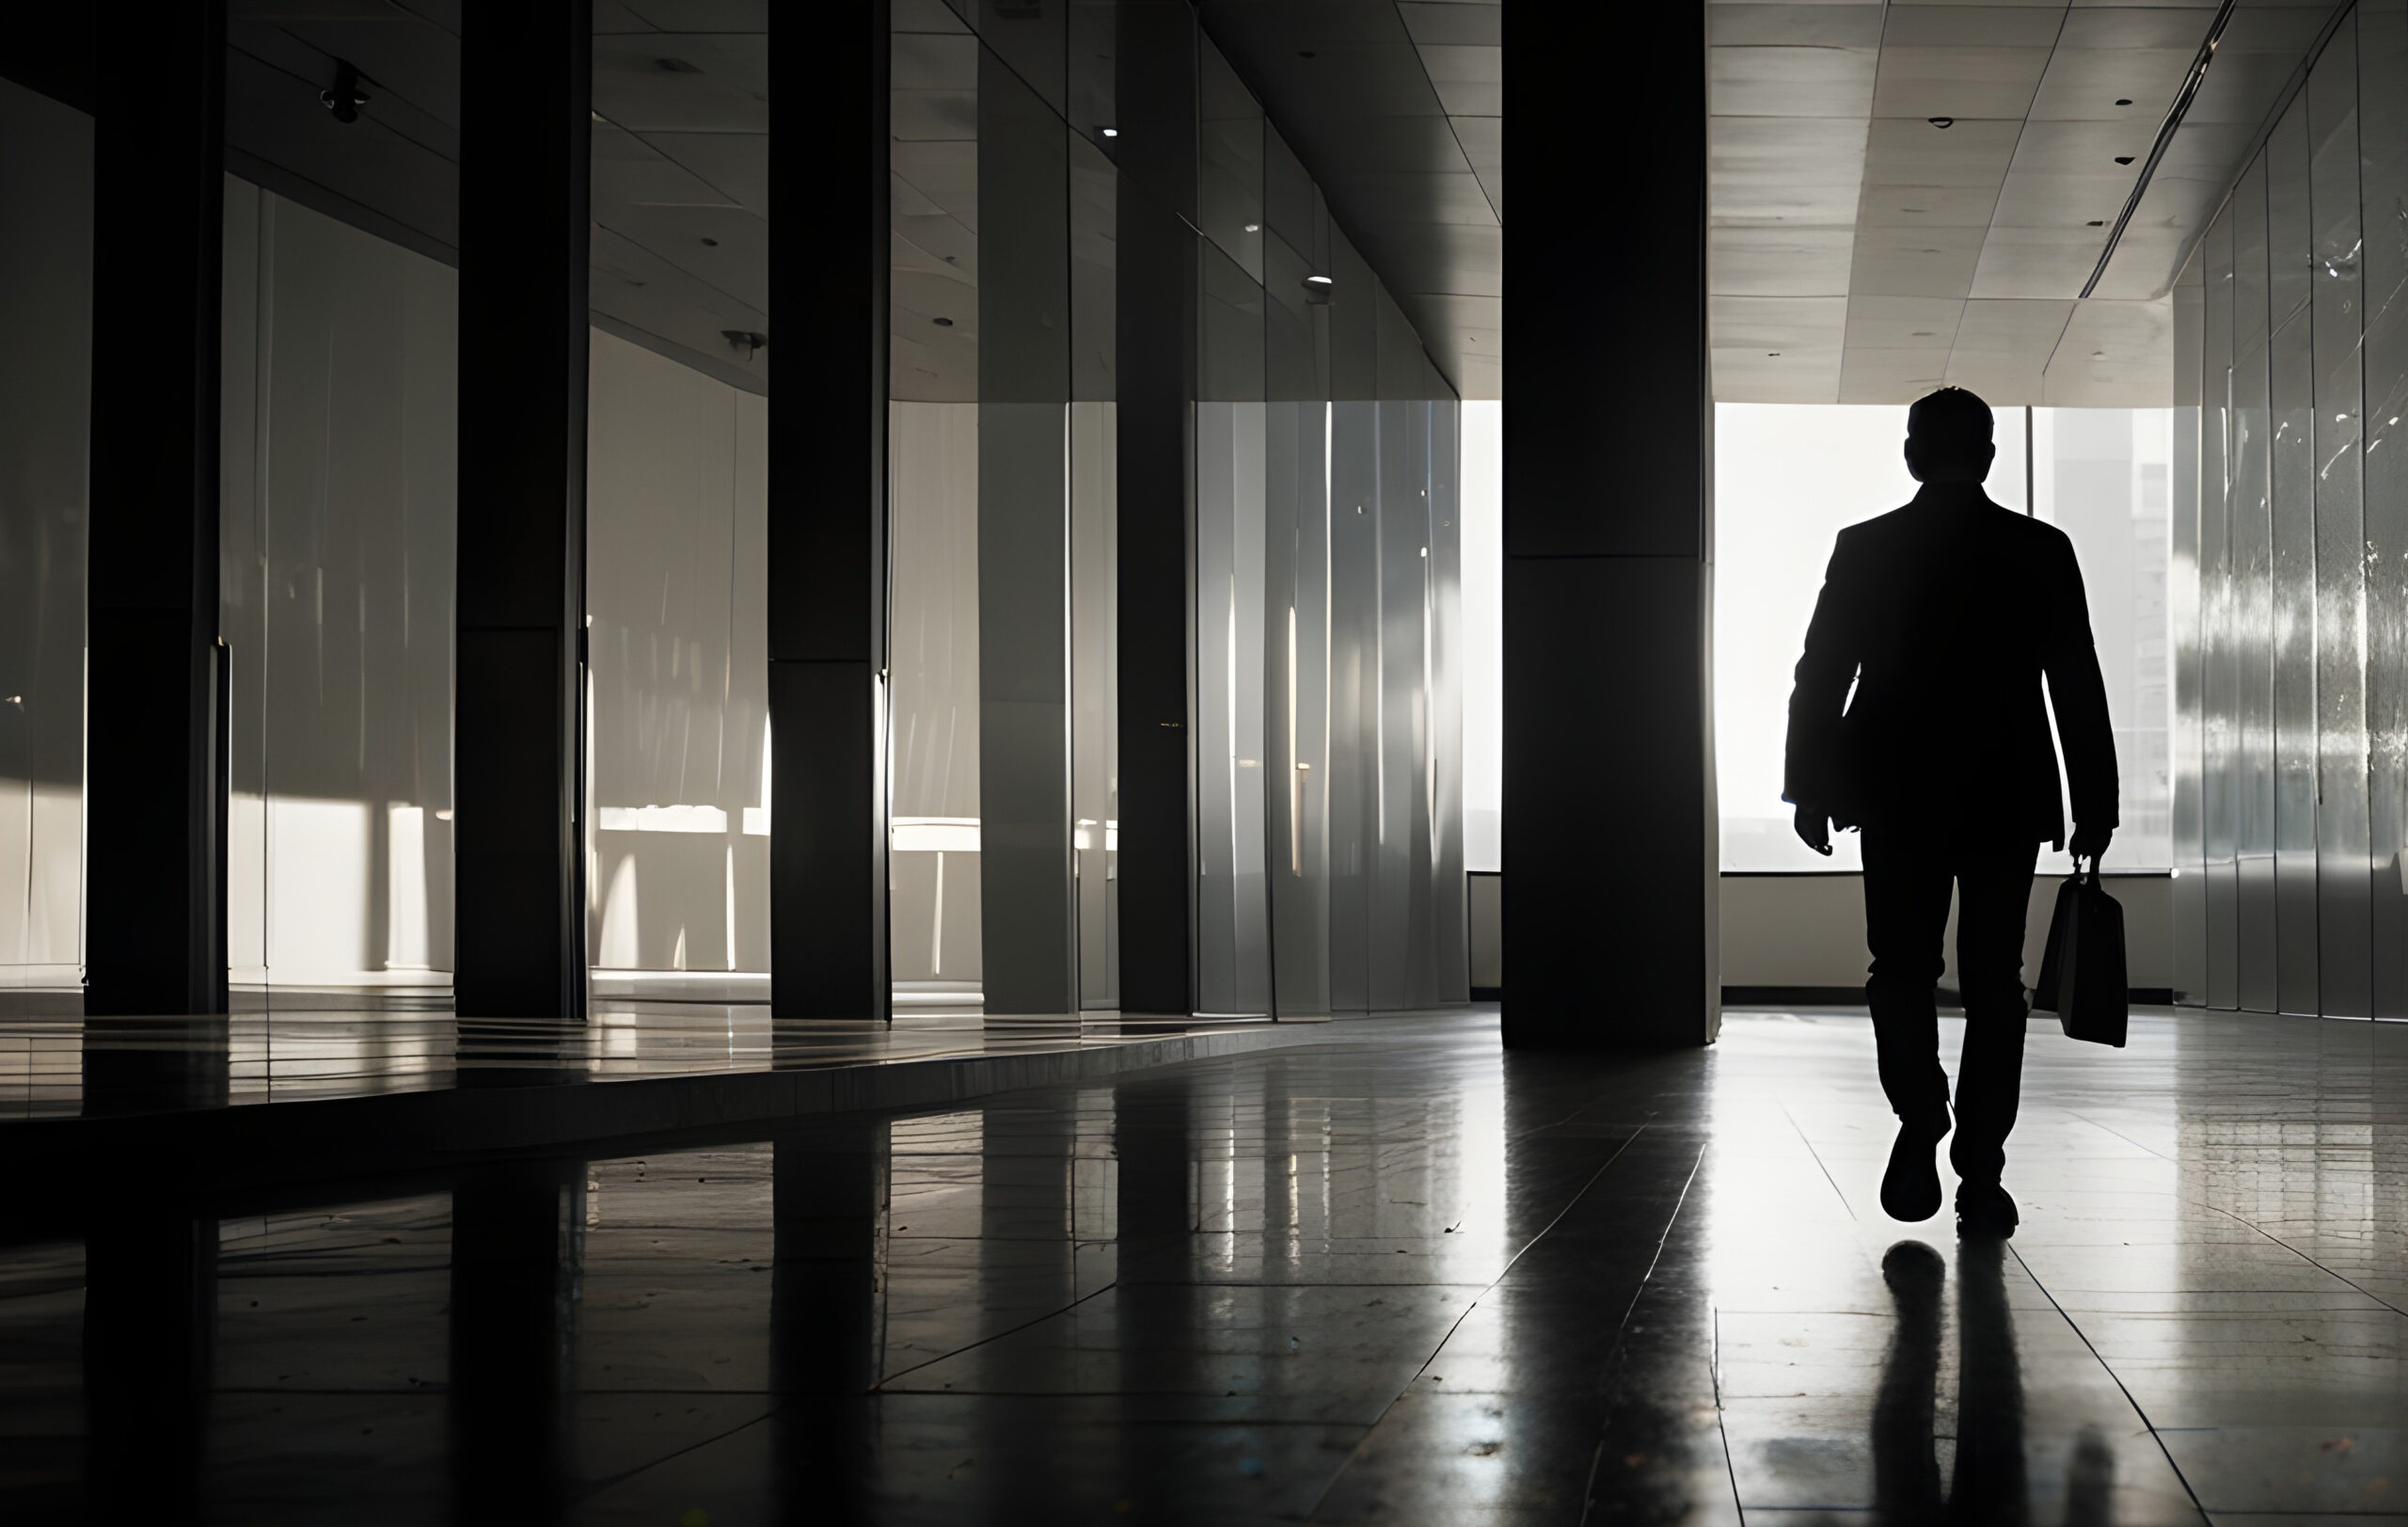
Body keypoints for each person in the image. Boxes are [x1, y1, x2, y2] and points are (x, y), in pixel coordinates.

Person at [1782, 387, 2117, 1238]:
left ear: (1910, 455)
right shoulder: (2040, 548)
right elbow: (2075, 677)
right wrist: (2096, 801)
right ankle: (1982, 1167)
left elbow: (1821, 673)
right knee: (1995, 982)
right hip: (2007, 794)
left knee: (1899, 968)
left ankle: (1920, 1116)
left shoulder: (1865, 548)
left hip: (1896, 793)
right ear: (1993, 455)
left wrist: (1811, 786)